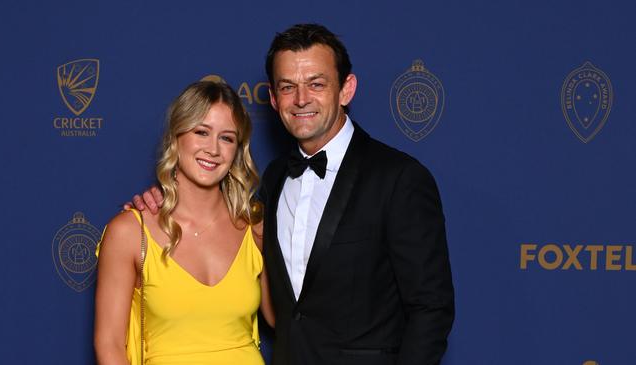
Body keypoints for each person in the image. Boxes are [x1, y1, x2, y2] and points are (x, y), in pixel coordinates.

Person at [134, 24, 454, 365]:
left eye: (316, 84)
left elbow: (431, 308)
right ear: (273, 98)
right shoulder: (273, 180)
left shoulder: (398, 178)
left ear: (346, 89)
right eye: (288, 87)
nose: (301, 99)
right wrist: (162, 200)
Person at [95, 80, 274, 365]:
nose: (213, 149)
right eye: (201, 132)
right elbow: (110, 346)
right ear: (176, 138)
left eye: (227, 138)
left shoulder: (255, 227)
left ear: (237, 150)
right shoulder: (129, 233)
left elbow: (282, 320)